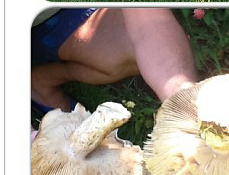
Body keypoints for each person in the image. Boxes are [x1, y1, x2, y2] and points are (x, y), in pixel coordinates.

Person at [31, 8, 197, 124]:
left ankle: (41, 78)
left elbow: (149, 22)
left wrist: (181, 96)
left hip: (58, 14)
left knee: (154, 53)